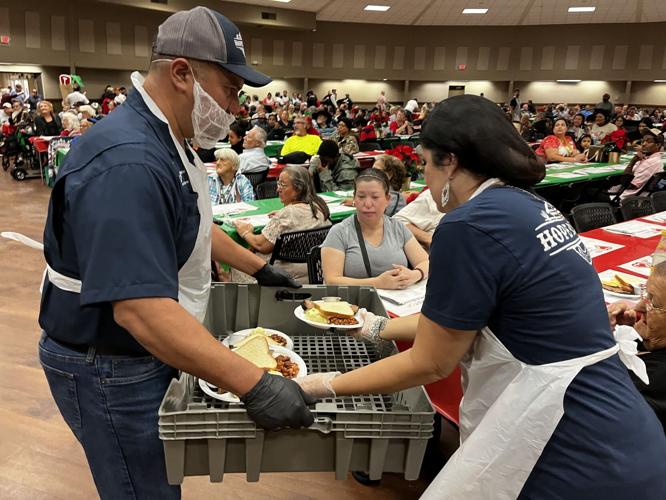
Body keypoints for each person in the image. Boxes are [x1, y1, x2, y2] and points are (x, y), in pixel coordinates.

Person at [299, 94, 666, 499]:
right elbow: (462, 320)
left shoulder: (467, 224)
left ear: (450, 161)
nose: (424, 175)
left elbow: (432, 362)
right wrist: (379, 327)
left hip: (566, 439)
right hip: (618, 426)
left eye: (426, 162)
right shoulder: (531, 206)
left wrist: (325, 385)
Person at [32, 8, 313, 500]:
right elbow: (141, 310)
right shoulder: (128, 162)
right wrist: (255, 384)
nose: (233, 107)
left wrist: (259, 267)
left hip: (138, 353)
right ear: (183, 73)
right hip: (109, 363)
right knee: (144, 490)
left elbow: (193, 226)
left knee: (160, 479)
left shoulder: (168, 137)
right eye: (229, 90)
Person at [321, 168, 429, 290]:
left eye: (375, 197)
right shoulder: (339, 232)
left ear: (387, 200)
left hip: (397, 304)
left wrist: (414, 275)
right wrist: (377, 283)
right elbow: (331, 281)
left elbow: (426, 262)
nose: (367, 204)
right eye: (361, 197)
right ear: (354, 199)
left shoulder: (397, 227)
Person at [234, 166, 332, 283]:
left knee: (236, 263)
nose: (278, 189)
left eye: (283, 185)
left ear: (298, 189)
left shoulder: (287, 214)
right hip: (315, 269)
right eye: (278, 184)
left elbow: (261, 245)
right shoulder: (320, 206)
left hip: (284, 272)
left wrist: (245, 232)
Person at [607, 261, 666, 431]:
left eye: (653, 302)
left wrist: (601, 338)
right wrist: (630, 333)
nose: (640, 307)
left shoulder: (650, 379)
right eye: (646, 295)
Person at [619, 128, 665, 198]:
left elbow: (628, 185)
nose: (643, 144)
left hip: (625, 197)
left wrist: (633, 161)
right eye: (643, 141)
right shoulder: (648, 158)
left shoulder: (651, 162)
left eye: (648, 141)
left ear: (658, 145)